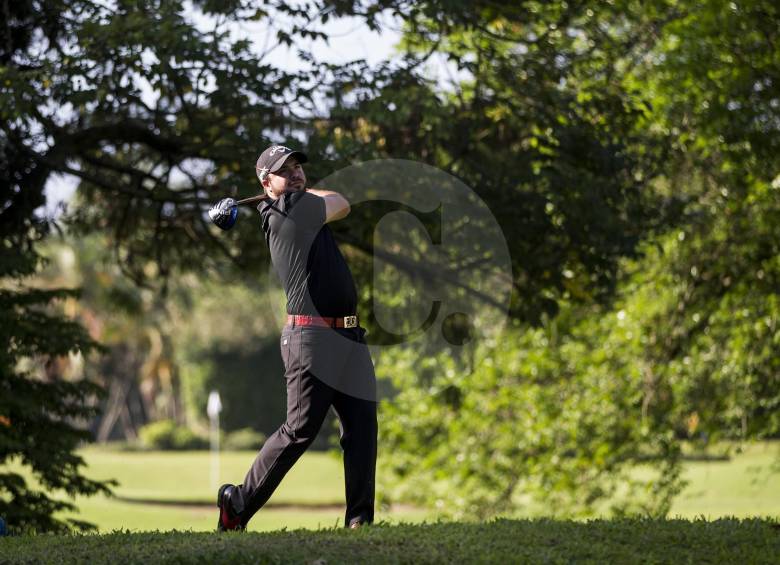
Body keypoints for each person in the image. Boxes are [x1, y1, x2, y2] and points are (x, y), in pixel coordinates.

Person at [216, 144, 378, 532]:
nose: (296, 174)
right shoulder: (291, 208)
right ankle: (237, 505)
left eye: (297, 167)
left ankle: (360, 521)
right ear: (265, 183)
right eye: (284, 171)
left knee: (362, 426)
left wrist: (289, 189)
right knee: (300, 430)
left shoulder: (290, 204)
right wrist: (298, 192)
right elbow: (341, 202)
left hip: (348, 336)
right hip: (312, 338)